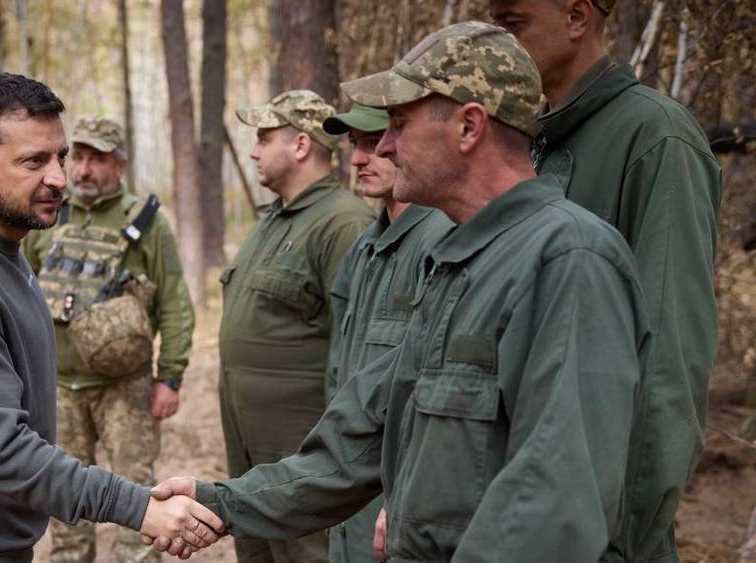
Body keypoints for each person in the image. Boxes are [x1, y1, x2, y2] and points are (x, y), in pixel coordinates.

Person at [147, 22, 651, 562]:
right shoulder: (458, 263)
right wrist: (221, 502)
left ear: (468, 127)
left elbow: (554, 505)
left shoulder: (568, 259)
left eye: (399, 124)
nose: (383, 146)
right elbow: (354, 445)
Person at [0, 73, 221, 563]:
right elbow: (5, 452)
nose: (59, 177)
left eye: (60, 156)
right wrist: (138, 506)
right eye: (34, 161)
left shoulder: (1, 246)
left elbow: (172, 303)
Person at [487, 2, 722, 561]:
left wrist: (619, 539)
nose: (498, 41)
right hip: (518, 515)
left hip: (594, 533)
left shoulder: (657, 136)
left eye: (513, 23)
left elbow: (668, 367)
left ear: (576, 17)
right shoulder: (530, 142)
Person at [22, 116, 195, 563]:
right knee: (64, 505)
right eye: (77, 157)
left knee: (140, 502)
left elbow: (174, 301)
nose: (83, 169)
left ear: (120, 165)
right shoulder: (46, 216)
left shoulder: (146, 222)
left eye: (96, 159)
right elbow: (19, 292)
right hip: (58, 387)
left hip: (125, 388)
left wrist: (170, 377)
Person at [218, 89, 375, 563]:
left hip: (302, 440)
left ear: (301, 145)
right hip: (250, 435)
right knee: (256, 544)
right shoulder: (272, 221)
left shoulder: (343, 223)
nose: (254, 151)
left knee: (308, 550)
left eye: (264, 138)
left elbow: (359, 347)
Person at [320, 104, 452, 563]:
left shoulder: (442, 240)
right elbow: (339, 373)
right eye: (354, 144)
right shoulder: (364, 248)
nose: (359, 158)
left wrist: (410, 497)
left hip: (399, 494)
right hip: (351, 486)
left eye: (374, 143)